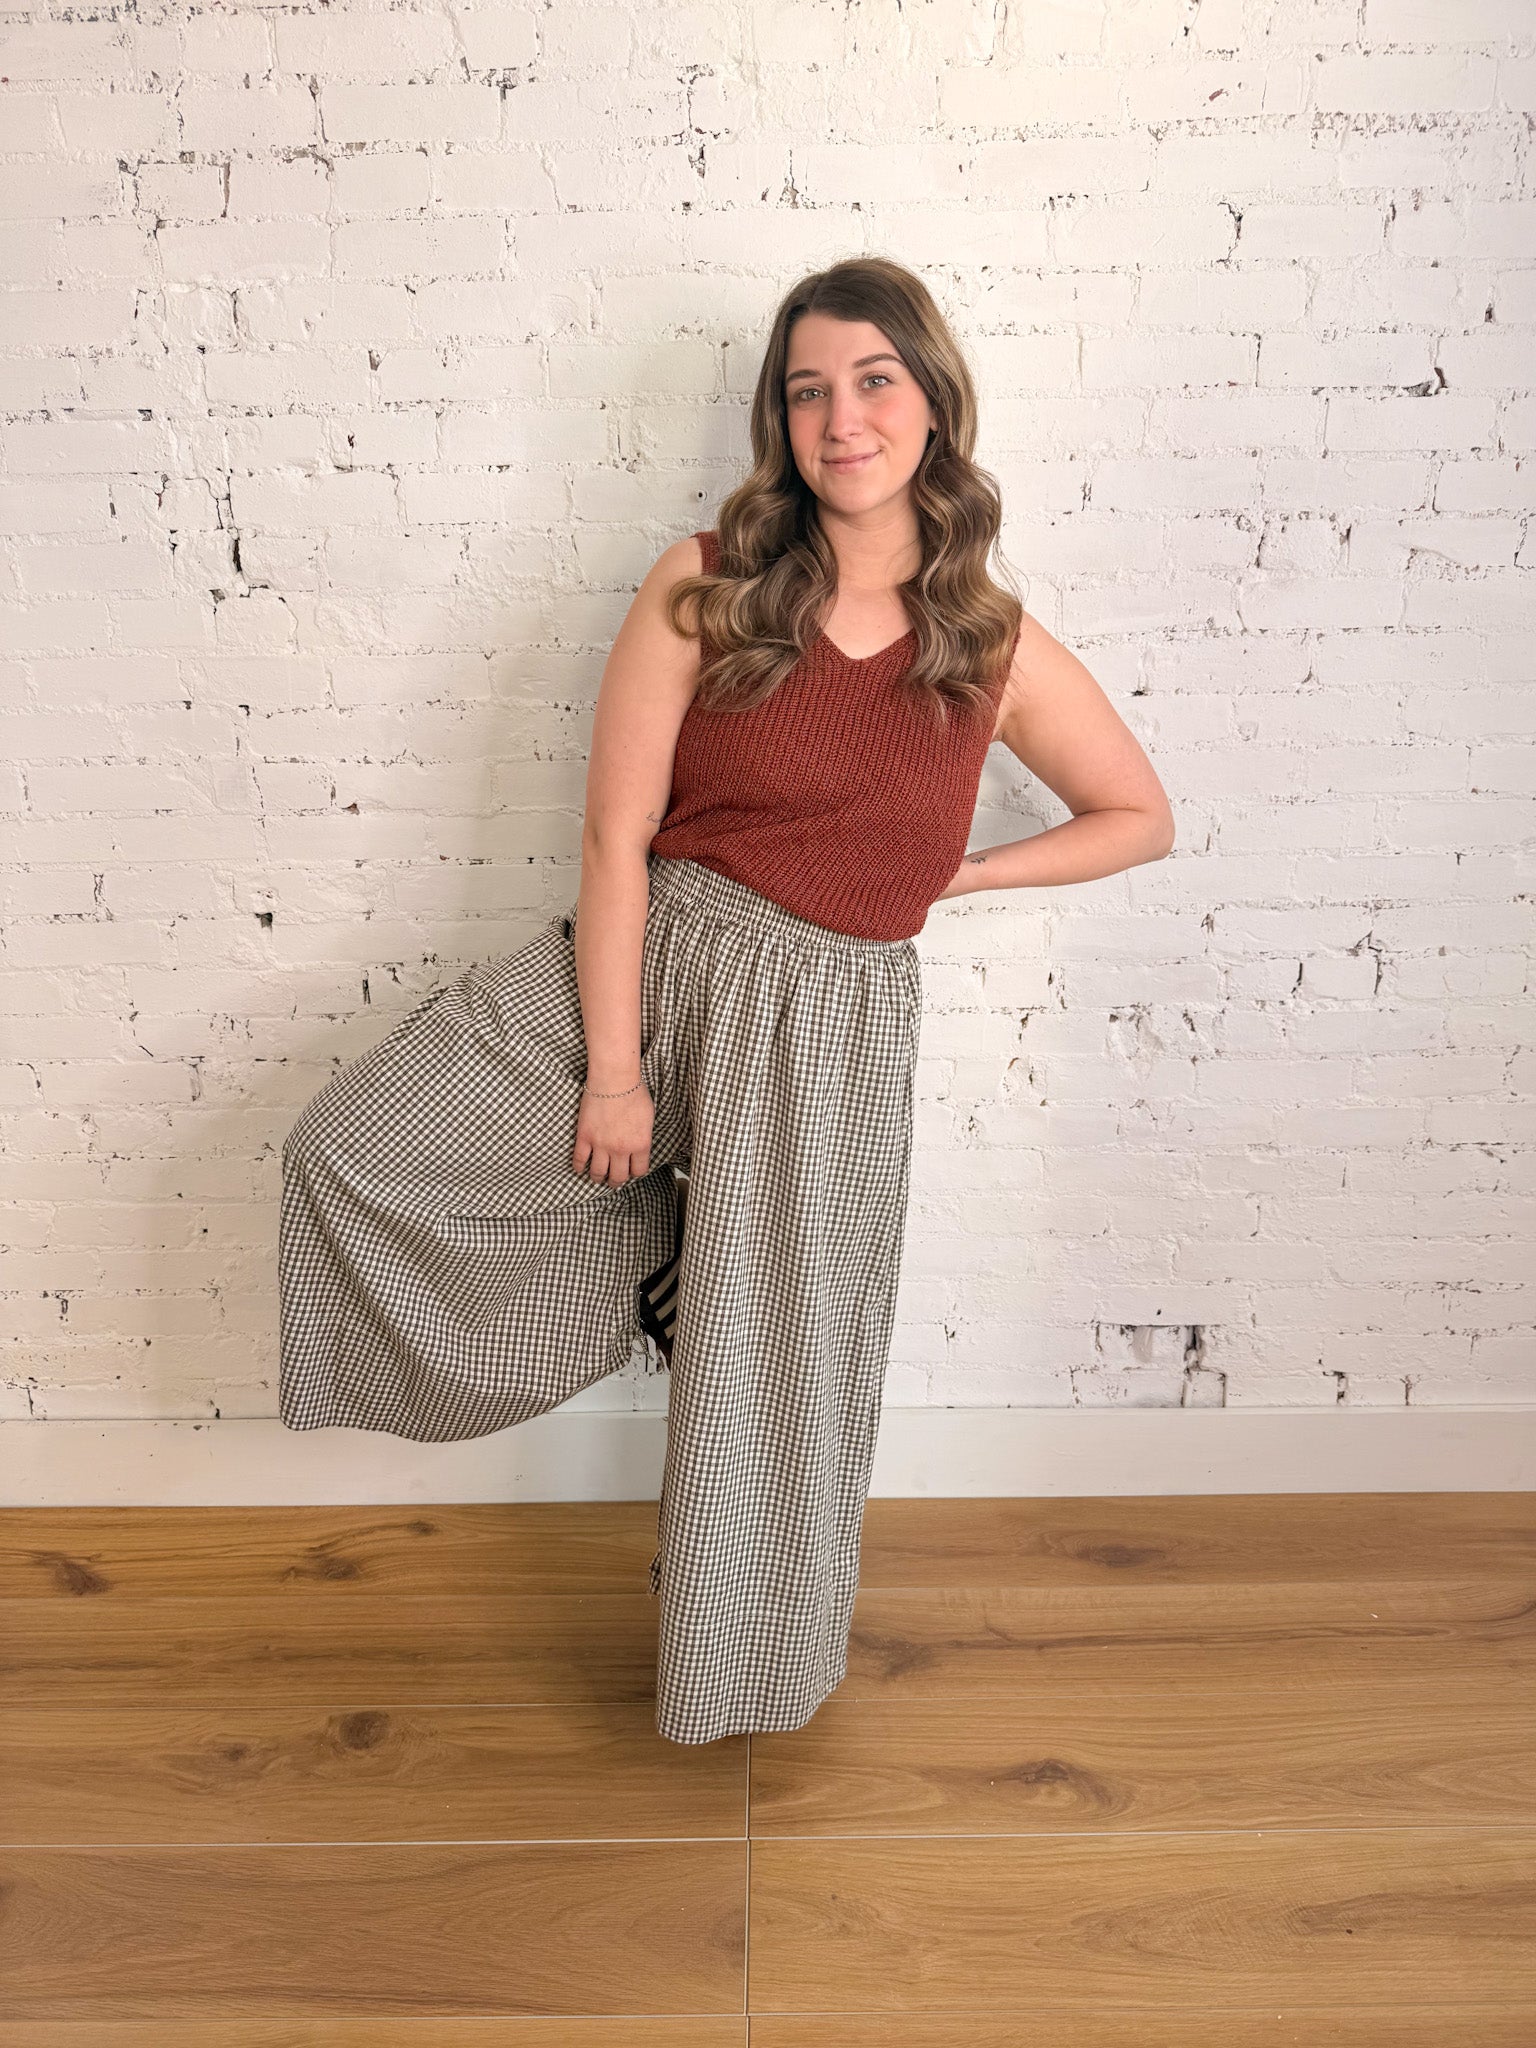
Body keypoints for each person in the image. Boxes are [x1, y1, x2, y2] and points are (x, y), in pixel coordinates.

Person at [279, 255, 1175, 1746]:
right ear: (779, 419)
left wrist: (951, 878)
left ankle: (739, 1669)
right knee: (353, 1146)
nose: (842, 419)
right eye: (808, 391)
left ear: (934, 404)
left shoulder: (990, 641)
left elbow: (1137, 816)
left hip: (834, 1031)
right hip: (665, 964)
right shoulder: (709, 584)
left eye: (874, 382)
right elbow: (613, 837)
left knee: (775, 1370)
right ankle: (656, 1256)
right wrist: (614, 1072)